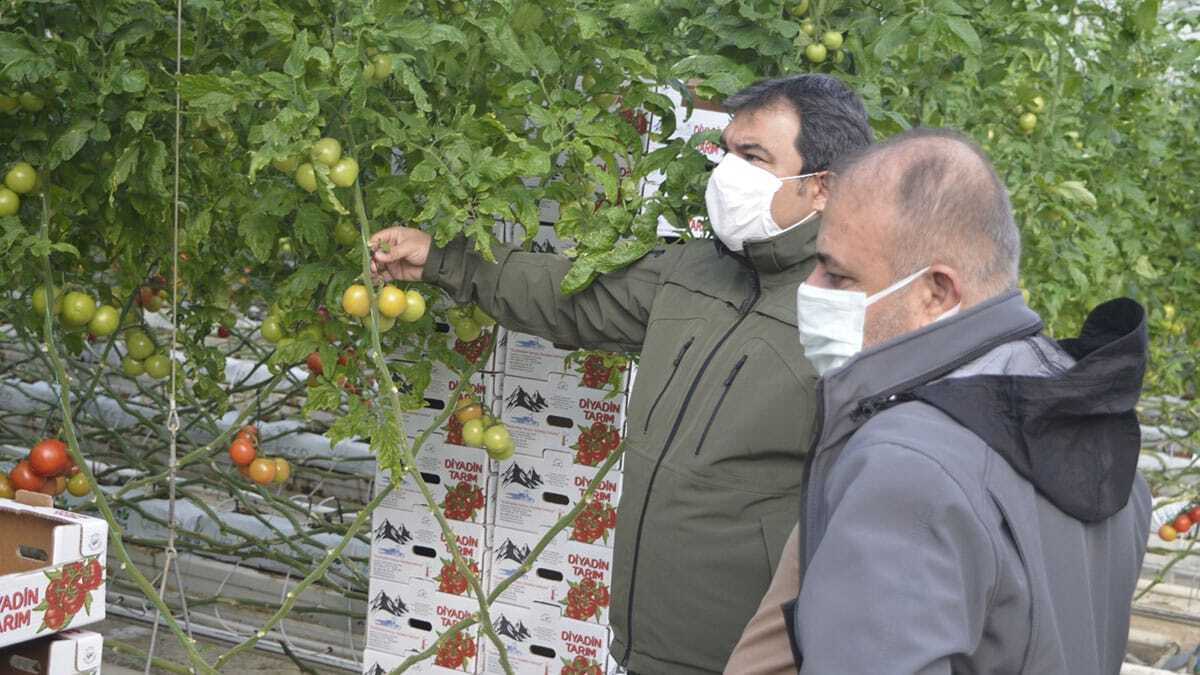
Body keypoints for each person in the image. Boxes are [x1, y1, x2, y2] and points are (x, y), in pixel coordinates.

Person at [370, 75, 873, 674]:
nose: (729, 175)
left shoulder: (854, 315)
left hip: (754, 656)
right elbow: (569, 298)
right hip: (646, 641)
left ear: (822, 188)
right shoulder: (694, 274)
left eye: (754, 158)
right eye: (729, 152)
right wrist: (443, 259)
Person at [725, 128, 1151, 675]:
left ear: (936, 293)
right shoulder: (1093, 425)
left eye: (838, 273)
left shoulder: (910, 464)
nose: (812, 287)